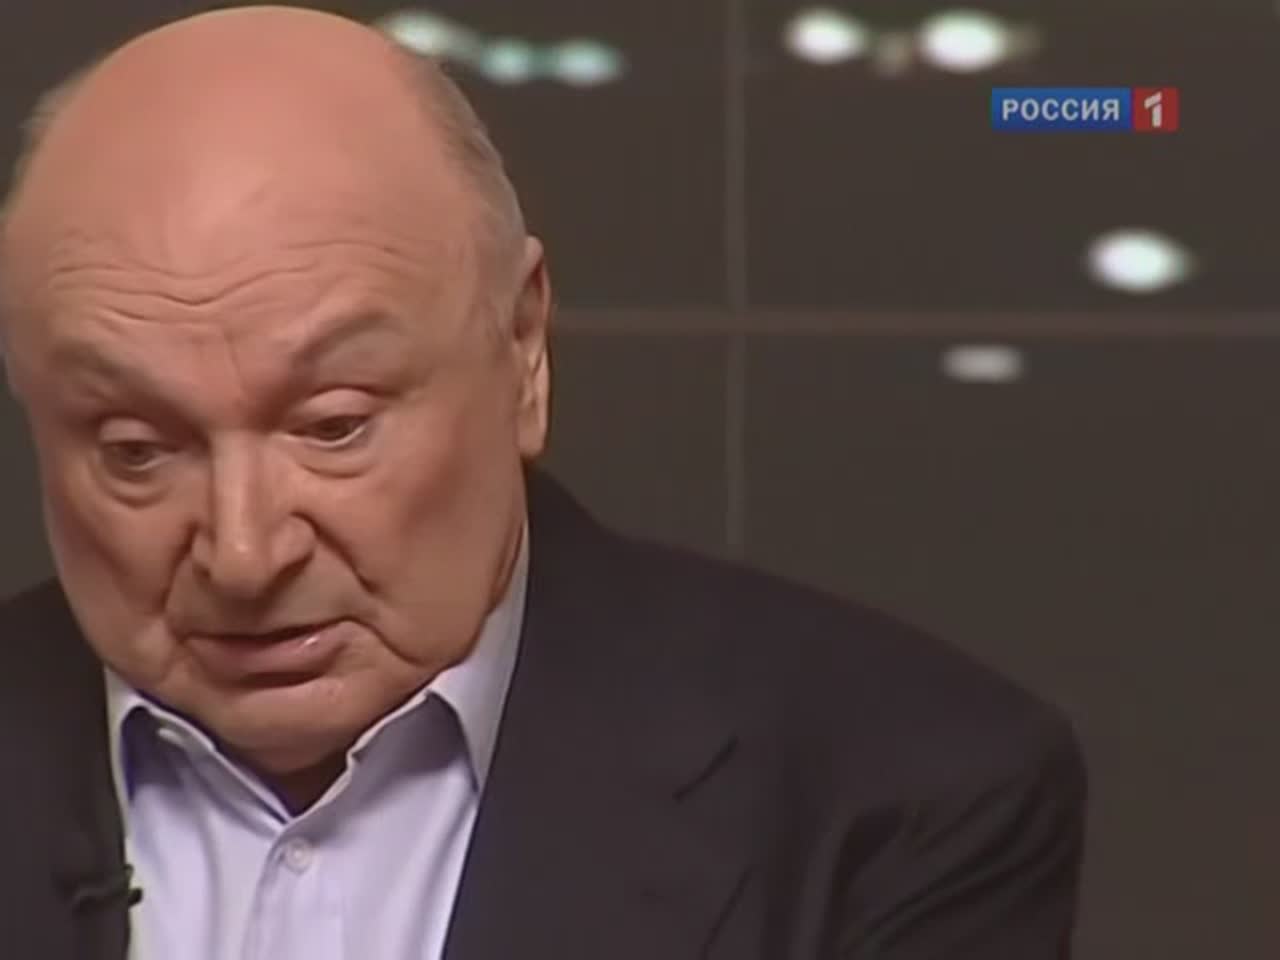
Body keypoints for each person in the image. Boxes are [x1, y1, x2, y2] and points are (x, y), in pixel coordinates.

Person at [0, 7, 1086, 959]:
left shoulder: (903, 796)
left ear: (522, 348)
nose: (244, 554)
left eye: (334, 427)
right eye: (135, 450)